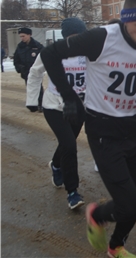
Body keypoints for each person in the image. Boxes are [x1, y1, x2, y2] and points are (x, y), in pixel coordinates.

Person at [40, 0, 136, 258]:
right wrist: (69, 97)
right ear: (126, 19)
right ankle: (97, 214)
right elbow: (50, 54)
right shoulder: (101, 38)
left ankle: (115, 247)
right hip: (104, 130)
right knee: (128, 203)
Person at [26, 17, 87, 210]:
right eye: (74, 36)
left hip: (78, 106)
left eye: (81, 35)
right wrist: (32, 100)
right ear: (66, 37)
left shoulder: (89, 52)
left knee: (67, 143)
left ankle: (56, 165)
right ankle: (72, 192)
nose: (78, 40)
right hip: (54, 106)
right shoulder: (52, 53)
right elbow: (35, 73)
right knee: (69, 145)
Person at [13, 27, 44, 111]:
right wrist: (20, 68)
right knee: (30, 87)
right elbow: (16, 59)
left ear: (29, 35)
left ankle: (41, 104)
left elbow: (44, 57)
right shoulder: (20, 47)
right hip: (25, 71)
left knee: (38, 87)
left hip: (36, 70)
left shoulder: (37, 46)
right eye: (20, 36)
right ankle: (32, 105)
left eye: (23, 36)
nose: (22, 38)